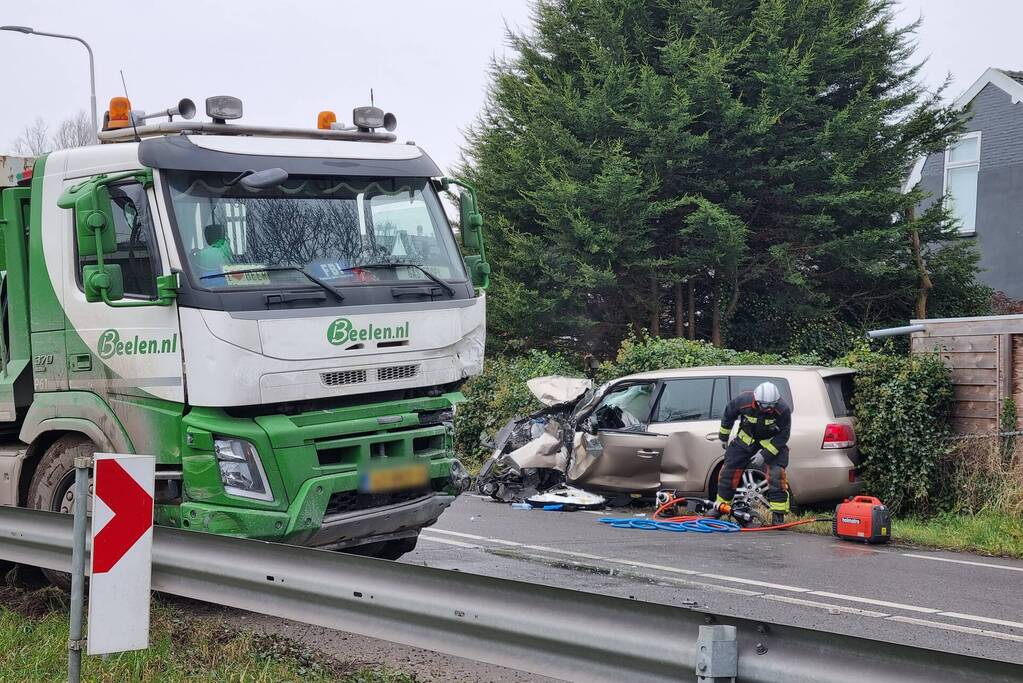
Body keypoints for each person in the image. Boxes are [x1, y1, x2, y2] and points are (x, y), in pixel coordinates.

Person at [715, 382, 792, 525]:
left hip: (771, 442)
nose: (769, 408)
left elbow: (784, 435)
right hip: (746, 440)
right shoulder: (743, 401)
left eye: (772, 405)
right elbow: (728, 414)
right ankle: (720, 508)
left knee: (777, 475)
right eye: (764, 405)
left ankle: (778, 516)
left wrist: (765, 455)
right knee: (729, 471)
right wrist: (723, 437)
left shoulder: (782, 409)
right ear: (756, 401)